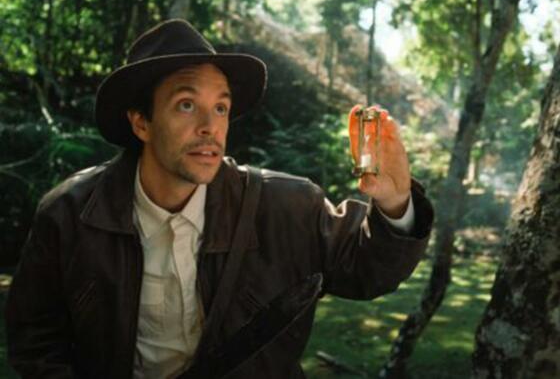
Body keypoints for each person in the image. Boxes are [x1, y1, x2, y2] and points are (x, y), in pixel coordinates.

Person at [5, 19, 434, 379]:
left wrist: (395, 203)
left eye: (221, 108)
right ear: (141, 123)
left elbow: (367, 270)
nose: (211, 127)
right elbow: (35, 340)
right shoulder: (70, 214)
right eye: (186, 105)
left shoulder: (286, 206)